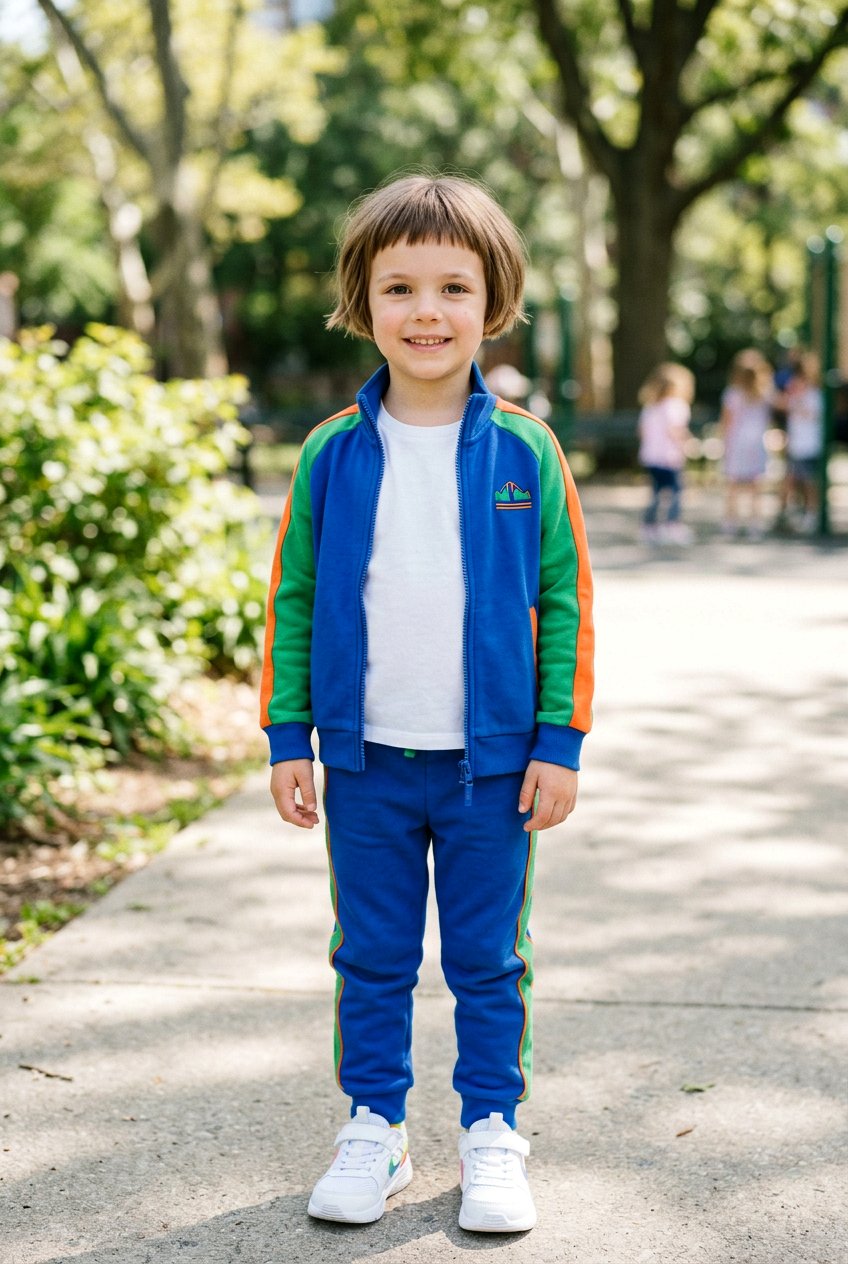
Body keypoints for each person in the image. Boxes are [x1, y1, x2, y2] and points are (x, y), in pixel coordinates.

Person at [260, 174, 594, 1234]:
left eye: (454, 287)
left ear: (493, 302)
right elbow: (294, 596)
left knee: (489, 959)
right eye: (398, 287)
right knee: (371, 956)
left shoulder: (525, 450)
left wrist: (559, 741)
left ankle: (493, 1130)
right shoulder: (331, 451)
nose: (426, 311)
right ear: (361, 301)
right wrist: (288, 736)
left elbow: (566, 600)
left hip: (491, 767)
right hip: (365, 762)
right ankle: (376, 1126)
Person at [637, 362, 696, 545]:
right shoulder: (677, 406)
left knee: (656, 493)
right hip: (670, 457)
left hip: (651, 457)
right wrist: (688, 444)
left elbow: (642, 432)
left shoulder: (650, 407)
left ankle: (649, 527)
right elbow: (675, 430)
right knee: (675, 492)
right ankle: (672, 525)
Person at [719, 349, 774, 538]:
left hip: (737, 442)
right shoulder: (765, 392)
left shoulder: (732, 394)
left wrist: (724, 443)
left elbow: (727, 422)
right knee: (755, 485)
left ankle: (730, 523)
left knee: (733, 484)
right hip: (757, 442)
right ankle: (754, 524)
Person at [774, 350, 824, 534]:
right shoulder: (794, 392)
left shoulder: (815, 395)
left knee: (810, 482)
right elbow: (781, 405)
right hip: (796, 445)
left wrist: (797, 401)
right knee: (791, 479)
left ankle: (812, 515)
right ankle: (786, 513)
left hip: (809, 445)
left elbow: (813, 415)